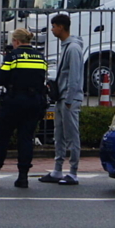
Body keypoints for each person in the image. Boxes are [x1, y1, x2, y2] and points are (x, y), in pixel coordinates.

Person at [0, 28, 48, 188]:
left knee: (2, 139)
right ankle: (23, 177)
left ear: (17, 41)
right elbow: (41, 79)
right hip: (34, 102)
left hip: (13, 102)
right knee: (26, 139)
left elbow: (0, 80)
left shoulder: (12, 56)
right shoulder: (40, 58)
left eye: (13, 41)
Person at [39, 13, 84, 185]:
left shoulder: (72, 49)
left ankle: (73, 172)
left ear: (61, 27)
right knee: (59, 134)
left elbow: (74, 77)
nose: (52, 29)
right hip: (63, 98)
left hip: (68, 99)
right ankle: (58, 170)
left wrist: (69, 100)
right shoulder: (67, 47)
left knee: (72, 135)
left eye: (54, 26)